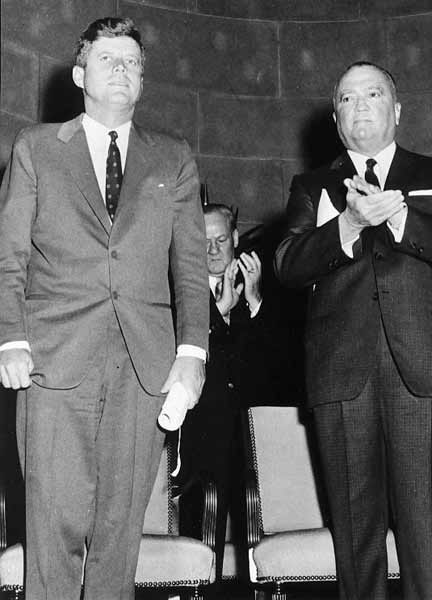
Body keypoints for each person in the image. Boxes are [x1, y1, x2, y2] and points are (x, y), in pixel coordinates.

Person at [0, 17, 209, 600]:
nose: (122, 69)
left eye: (133, 61)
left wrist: (192, 354)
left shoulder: (172, 157)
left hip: (145, 370)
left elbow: (191, 267)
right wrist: (9, 337)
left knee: (120, 538)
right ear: (78, 74)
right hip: (55, 363)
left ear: (142, 80)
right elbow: (7, 255)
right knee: (53, 530)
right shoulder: (37, 148)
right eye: (107, 58)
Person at [274, 61, 432, 600]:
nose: (360, 104)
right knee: (355, 533)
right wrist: (347, 225)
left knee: (422, 532)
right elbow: (287, 265)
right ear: (336, 121)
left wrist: (401, 220)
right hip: (342, 372)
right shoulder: (312, 185)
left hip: (421, 370)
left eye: (373, 93)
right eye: (347, 98)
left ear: (397, 110)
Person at [176, 203, 280, 585]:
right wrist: (218, 317)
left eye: (221, 240)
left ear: (235, 238)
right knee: (201, 547)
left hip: (253, 442)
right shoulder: (181, 296)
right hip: (201, 444)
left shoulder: (264, 294)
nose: (213, 250)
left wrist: (253, 303)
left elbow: (273, 372)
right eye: (203, 242)